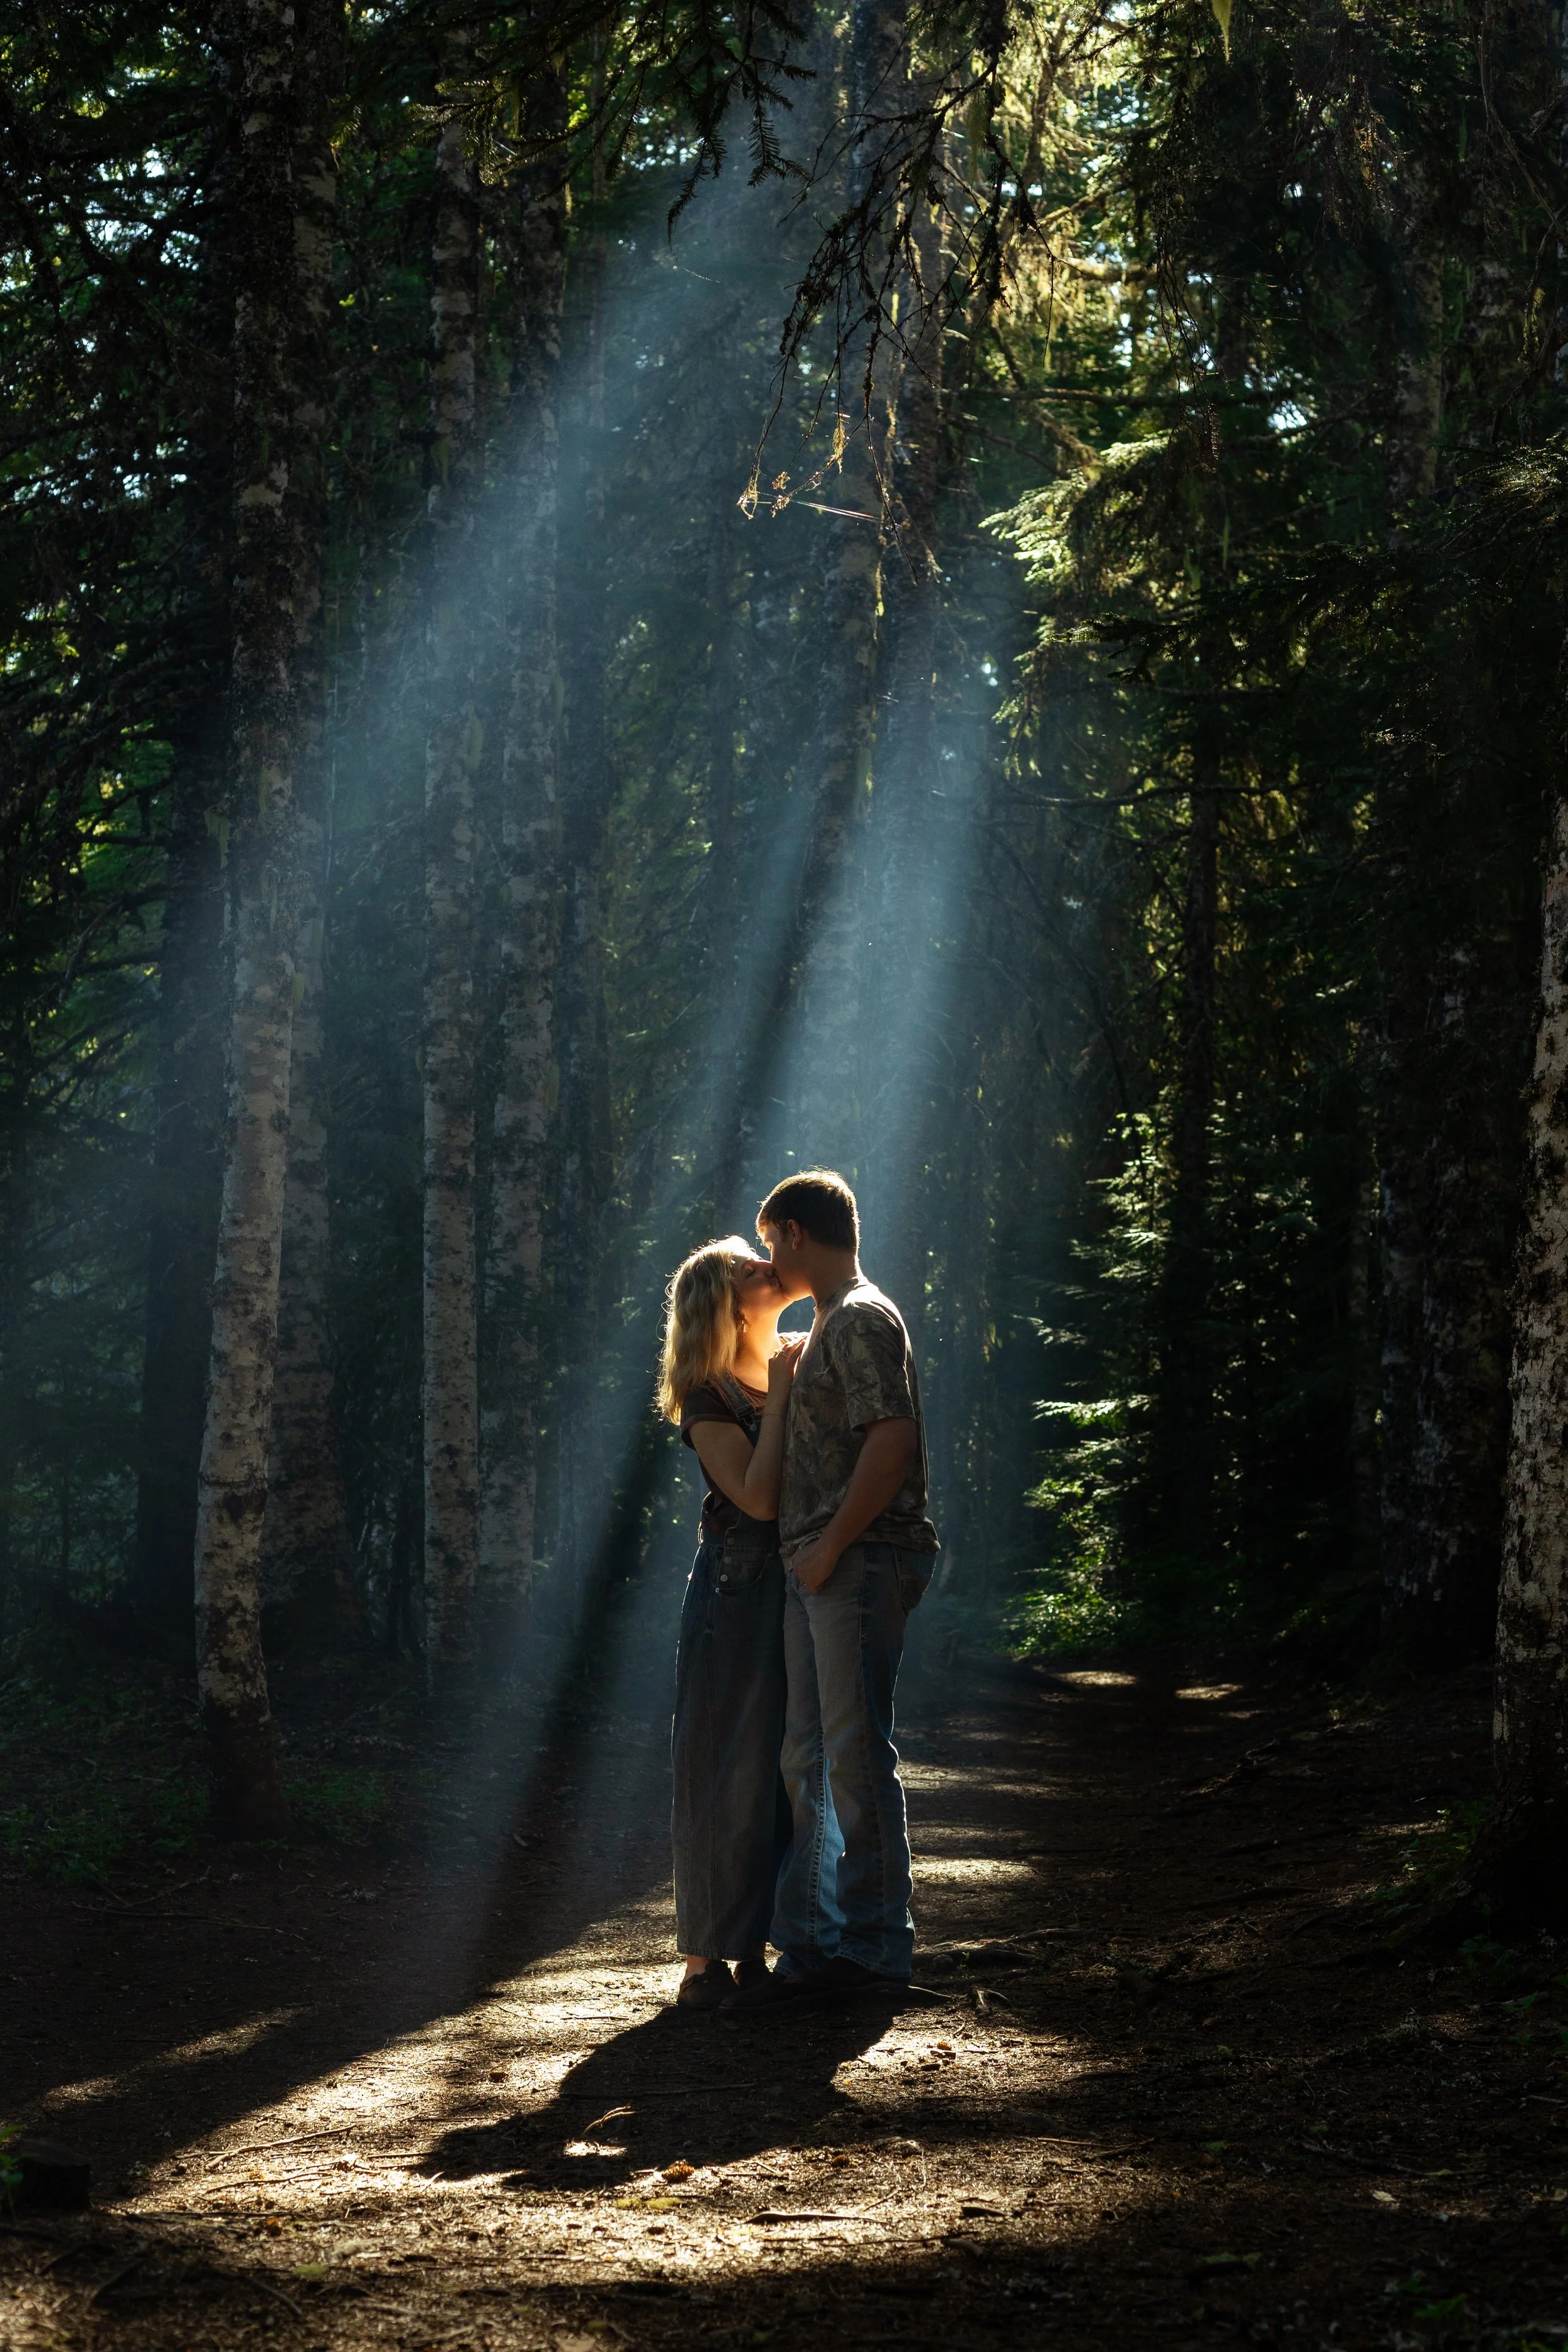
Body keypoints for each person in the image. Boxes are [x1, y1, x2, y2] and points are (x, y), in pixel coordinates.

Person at [723, 1169, 940, 2012]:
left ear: (794, 1232)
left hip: (858, 1560)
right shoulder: (829, 1325)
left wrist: (830, 1548)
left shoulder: (859, 1316)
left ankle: (877, 1950)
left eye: (773, 1241)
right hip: (822, 1566)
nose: (770, 1259)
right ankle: (813, 1943)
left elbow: (893, 1441)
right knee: (807, 1757)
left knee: (852, 1755)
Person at [657, 1236, 805, 2010]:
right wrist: (781, 1393)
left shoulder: (798, 1355)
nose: (765, 1266)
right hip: (736, 1584)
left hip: (808, 1579)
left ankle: (757, 1948)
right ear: (725, 1302)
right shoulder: (710, 1389)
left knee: (787, 1766)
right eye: (747, 1266)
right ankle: (703, 1960)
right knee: (722, 1764)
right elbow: (755, 1497)